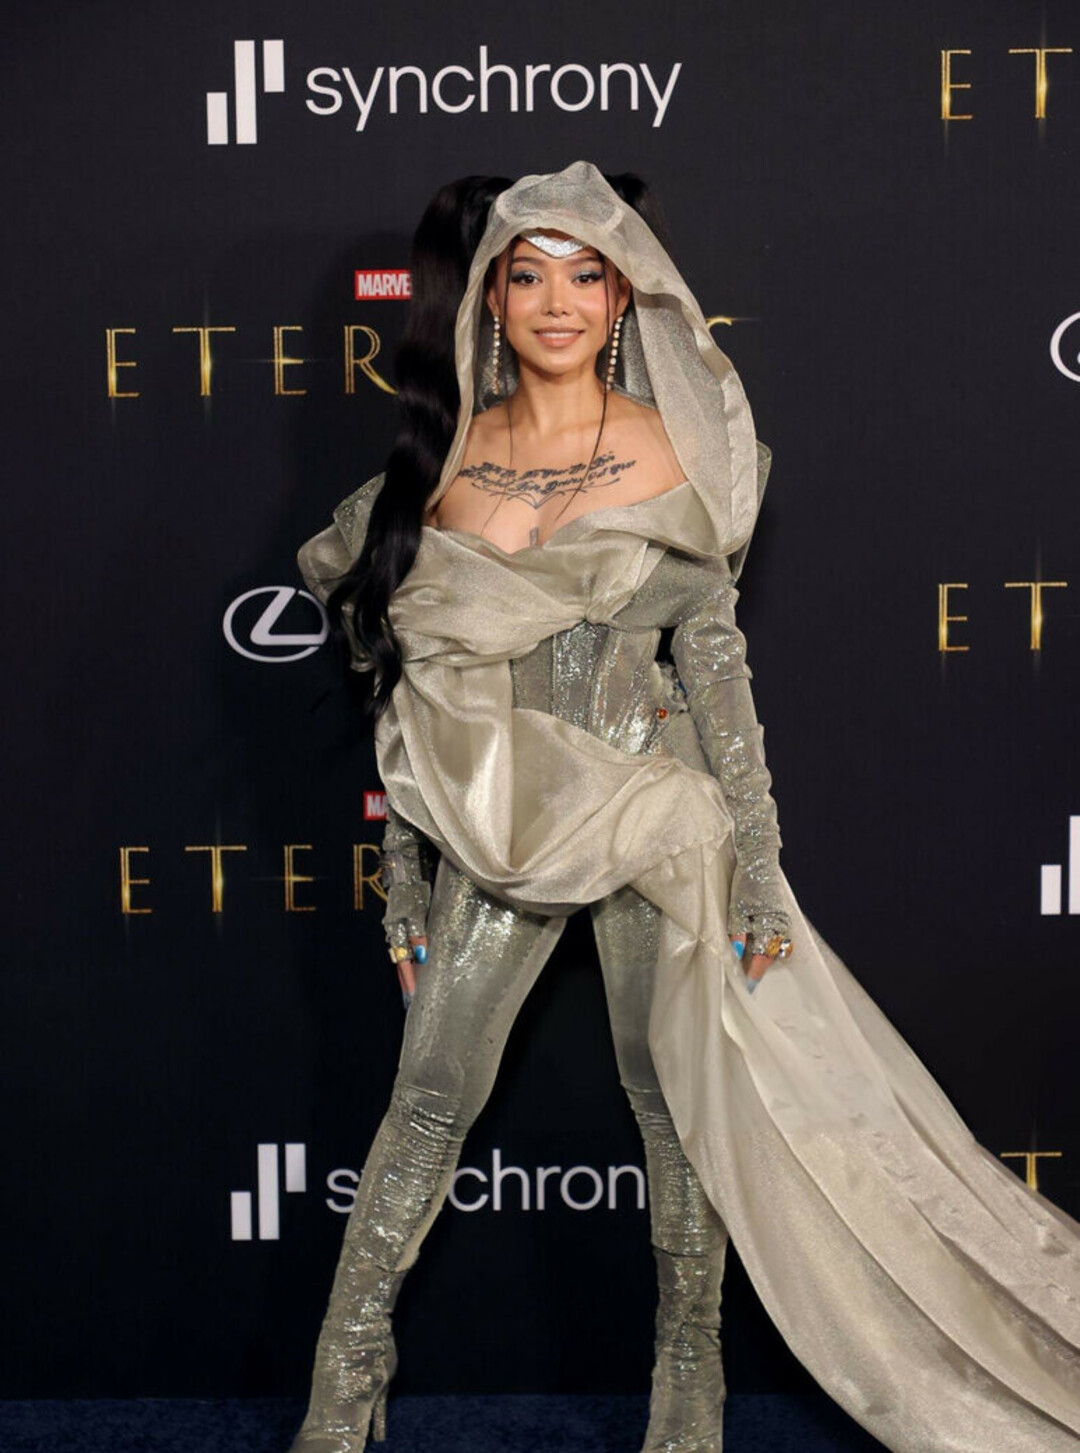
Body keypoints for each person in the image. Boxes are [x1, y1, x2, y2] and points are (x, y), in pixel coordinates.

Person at [289, 162, 1080, 1453]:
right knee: (427, 1096)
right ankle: (340, 1389)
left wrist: (758, 864)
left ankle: (688, 1386)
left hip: (657, 804)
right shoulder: (441, 459)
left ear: (625, 297)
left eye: (586, 274)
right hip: (498, 818)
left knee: (674, 1103)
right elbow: (420, 702)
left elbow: (713, 662)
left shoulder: (679, 448)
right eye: (528, 274)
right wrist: (403, 886)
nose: (557, 301)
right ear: (491, 296)